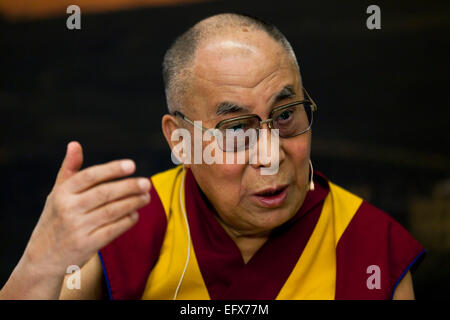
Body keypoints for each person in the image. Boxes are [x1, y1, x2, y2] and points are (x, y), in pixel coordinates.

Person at [0, 13, 424, 300]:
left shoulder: (368, 244)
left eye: (285, 115)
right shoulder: (128, 225)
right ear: (180, 139)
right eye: (236, 129)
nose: (271, 155)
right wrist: (43, 261)